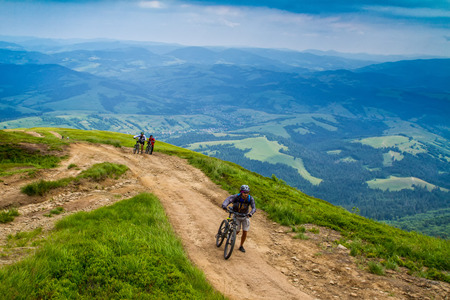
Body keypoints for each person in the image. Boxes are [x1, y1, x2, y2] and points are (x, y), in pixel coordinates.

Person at [221, 184, 256, 253]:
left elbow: (254, 207)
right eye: (244, 192)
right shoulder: (236, 197)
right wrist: (224, 206)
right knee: (236, 231)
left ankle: (241, 246)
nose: (246, 194)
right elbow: (228, 199)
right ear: (241, 192)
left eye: (247, 192)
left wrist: (251, 213)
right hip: (236, 215)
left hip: (245, 216)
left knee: (245, 232)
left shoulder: (250, 198)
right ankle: (230, 239)